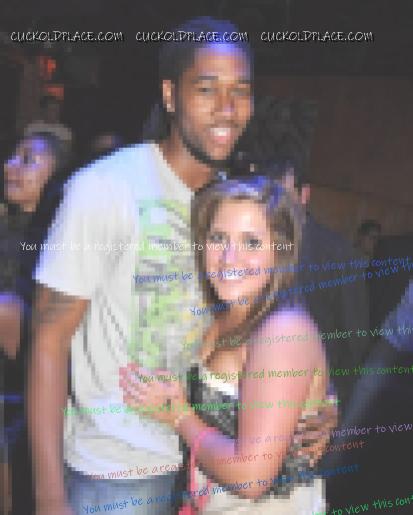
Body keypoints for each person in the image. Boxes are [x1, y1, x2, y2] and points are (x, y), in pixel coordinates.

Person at [29, 17, 253, 515]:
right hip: (109, 475)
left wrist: (309, 402)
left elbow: (235, 328)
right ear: (170, 96)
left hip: (195, 463)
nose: (227, 107)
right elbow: (48, 337)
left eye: (240, 90)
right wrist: (48, 497)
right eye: (207, 89)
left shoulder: (230, 207)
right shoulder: (105, 188)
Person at [120, 176, 338, 513]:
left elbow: (251, 478)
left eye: (251, 242)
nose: (229, 257)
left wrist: (179, 417)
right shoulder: (224, 309)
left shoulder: (282, 330)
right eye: (218, 238)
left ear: (280, 250)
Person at [0, 131, 71, 514]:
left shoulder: (59, 238)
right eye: (12, 157)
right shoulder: (8, 225)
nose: (9, 167)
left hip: (36, 386)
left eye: (27, 160)